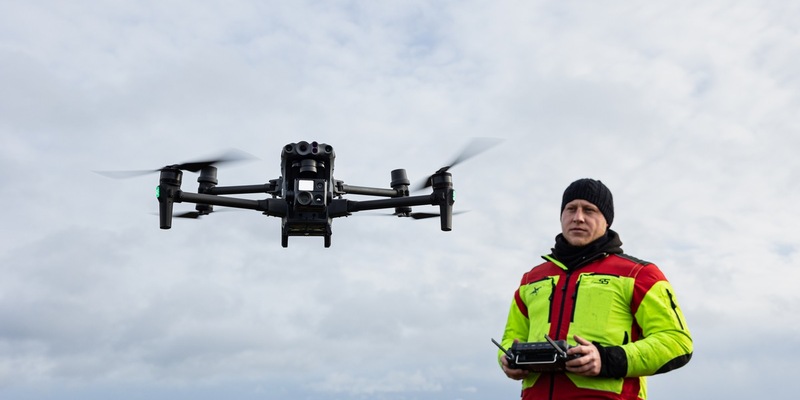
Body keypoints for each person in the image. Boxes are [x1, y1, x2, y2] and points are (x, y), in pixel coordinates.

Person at [498, 178, 692, 399]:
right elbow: (511, 338)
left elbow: (677, 341)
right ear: (561, 216)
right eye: (571, 209)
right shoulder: (530, 279)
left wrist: (606, 359)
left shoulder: (640, 274)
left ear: (607, 221)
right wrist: (506, 358)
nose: (578, 217)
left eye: (589, 210)